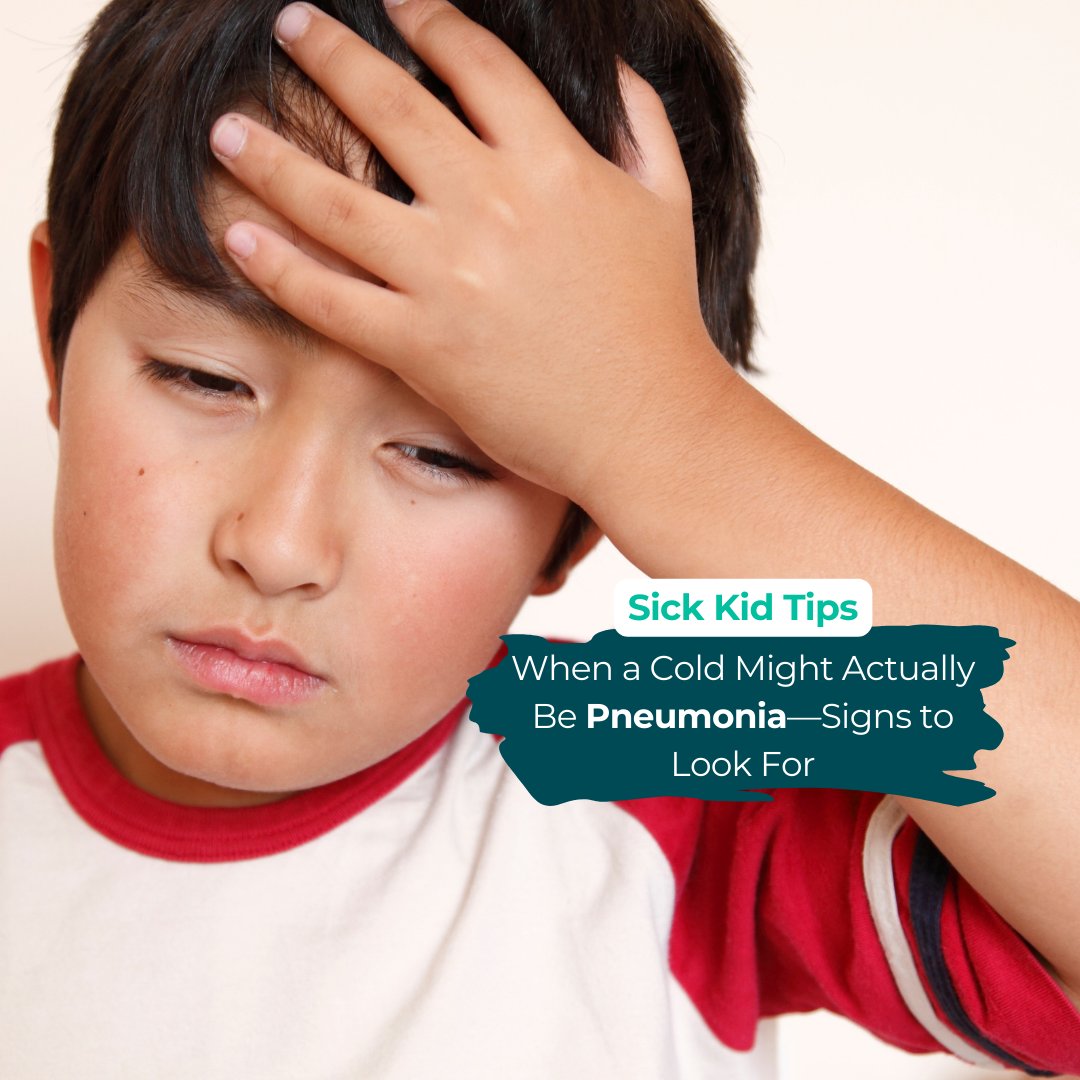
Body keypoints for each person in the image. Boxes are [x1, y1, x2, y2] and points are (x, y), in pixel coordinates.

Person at [4, 0, 1077, 1074]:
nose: (279, 546)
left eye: (442, 455)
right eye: (202, 377)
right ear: (56, 331)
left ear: (582, 521)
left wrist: (665, 431)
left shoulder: (657, 771)